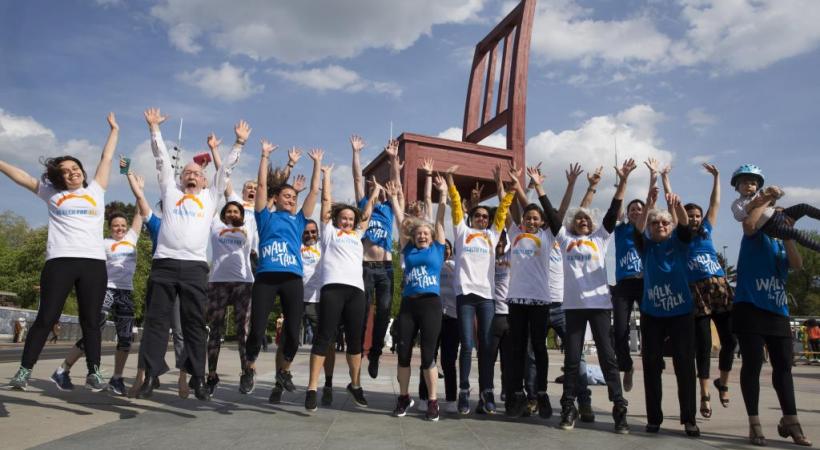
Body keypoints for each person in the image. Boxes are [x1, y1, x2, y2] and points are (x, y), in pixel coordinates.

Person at [135, 108, 244, 401]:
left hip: (195, 267)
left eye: (197, 173)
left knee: (195, 322)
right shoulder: (171, 192)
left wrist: (238, 144)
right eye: (187, 173)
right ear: (181, 179)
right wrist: (154, 129)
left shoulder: (210, 198)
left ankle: (198, 376)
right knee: (156, 321)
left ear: (205, 182)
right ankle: (151, 375)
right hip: (165, 264)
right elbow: (161, 160)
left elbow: (226, 171)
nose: (191, 176)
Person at [4, 113, 118, 391]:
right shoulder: (50, 192)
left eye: (75, 167)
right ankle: (24, 371)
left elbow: (106, 158)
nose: (71, 172)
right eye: (65, 170)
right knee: (47, 317)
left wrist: (114, 130)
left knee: (91, 320)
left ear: (81, 170)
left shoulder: (96, 190)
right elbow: (23, 178)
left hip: (92, 263)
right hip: (60, 261)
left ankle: (94, 371)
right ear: (59, 176)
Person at [551, 159, 635, 434]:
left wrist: (622, 181)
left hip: (599, 306)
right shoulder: (564, 239)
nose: (583, 221)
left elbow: (613, 210)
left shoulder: (601, 238)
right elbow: (552, 215)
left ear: (593, 223)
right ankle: (568, 407)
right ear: (573, 224)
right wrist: (541, 188)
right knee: (572, 361)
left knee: (608, 359)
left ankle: (619, 409)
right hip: (574, 308)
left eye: (587, 218)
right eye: (579, 218)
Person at [51, 168, 144, 395]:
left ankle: (117, 378)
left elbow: (140, 214)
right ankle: (63, 370)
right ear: (109, 228)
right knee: (93, 332)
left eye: (122, 225)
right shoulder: (101, 244)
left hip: (125, 293)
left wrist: (138, 190)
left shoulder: (132, 238)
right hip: (106, 290)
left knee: (125, 338)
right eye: (115, 226)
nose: (120, 228)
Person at [241, 140, 322, 400]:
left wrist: (317, 165)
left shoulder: (299, 220)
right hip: (266, 276)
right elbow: (262, 185)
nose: (291, 199)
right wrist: (264, 156)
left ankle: (283, 371)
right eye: (287, 196)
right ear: (275, 199)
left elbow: (313, 194)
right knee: (256, 328)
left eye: (294, 197)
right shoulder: (265, 216)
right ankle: (249, 368)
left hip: (292, 279)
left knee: (292, 332)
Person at [502, 163, 581, 420]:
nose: (531, 221)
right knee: (517, 349)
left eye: (536, 218)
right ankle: (516, 394)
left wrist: (538, 185)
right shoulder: (514, 232)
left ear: (542, 222)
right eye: (528, 218)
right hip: (516, 301)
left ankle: (542, 392)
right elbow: (506, 210)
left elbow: (558, 212)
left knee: (538, 347)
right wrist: (512, 186)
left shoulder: (549, 236)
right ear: (523, 220)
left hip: (540, 301)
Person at [734, 190, 812, 446]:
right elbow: (748, 225)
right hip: (750, 308)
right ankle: (754, 423)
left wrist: (788, 235)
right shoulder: (754, 234)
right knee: (753, 364)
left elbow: (797, 264)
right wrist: (765, 203)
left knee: (784, 367)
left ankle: (791, 420)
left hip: (778, 311)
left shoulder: (780, 243)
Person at [662, 162, 736, 417]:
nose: (693, 219)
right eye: (690, 215)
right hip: (696, 293)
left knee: (730, 339)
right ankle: (704, 394)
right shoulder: (680, 238)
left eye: (696, 215)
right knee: (703, 346)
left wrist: (717, 177)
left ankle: (723, 382)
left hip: (719, 288)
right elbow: (672, 206)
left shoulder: (706, 231)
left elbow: (714, 204)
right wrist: (665, 179)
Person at [304, 164, 377, 412]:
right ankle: (312, 387)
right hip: (332, 289)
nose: (347, 221)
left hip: (356, 292)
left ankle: (355, 384)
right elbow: (326, 201)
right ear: (336, 220)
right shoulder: (329, 232)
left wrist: (375, 192)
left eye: (350, 218)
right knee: (325, 337)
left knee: (355, 340)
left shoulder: (357, 234)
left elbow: (367, 212)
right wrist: (325, 175)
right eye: (343, 217)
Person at [634, 160, 699, 437]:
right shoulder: (646, 246)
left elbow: (684, 224)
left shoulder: (680, 243)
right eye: (655, 223)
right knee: (651, 366)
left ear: (670, 227)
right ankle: (654, 418)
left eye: (664, 222)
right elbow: (637, 227)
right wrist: (650, 200)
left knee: (685, 365)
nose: (660, 225)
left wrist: (673, 198)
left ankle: (689, 419)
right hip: (652, 314)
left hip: (682, 313)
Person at [446, 165, 515, 415]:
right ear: (471, 218)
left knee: (486, 346)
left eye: (486, 217)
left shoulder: (492, 235)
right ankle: (465, 391)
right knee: (467, 345)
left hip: (486, 298)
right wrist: (450, 179)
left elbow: (503, 210)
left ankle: (487, 391)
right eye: (478, 216)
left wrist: (511, 189)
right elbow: (455, 204)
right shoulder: (462, 232)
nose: (483, 219)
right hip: (466, 296)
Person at [389, 173, 448, 420]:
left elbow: (440, 217)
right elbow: (402, 222)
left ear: (432, 235)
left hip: (431, 305)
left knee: (427, 356)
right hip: (409, 305)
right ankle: (404, 397)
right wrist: (394, 200)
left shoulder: (438, 247)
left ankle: (433, 401)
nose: (422, 236)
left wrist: (442, 194)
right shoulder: (408, 248)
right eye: (419, 234)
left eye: (426, 233)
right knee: (403, 354)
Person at [351, 136, 400, 378]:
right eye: (376, 187)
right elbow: (357, 179)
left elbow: (397, 187)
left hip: (386, 268)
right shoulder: (364, 204)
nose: (379, 190)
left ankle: (376, 354)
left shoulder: (389, 209)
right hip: (365, 266)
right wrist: (356, 153)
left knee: (384, 310)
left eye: (381, 189)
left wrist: (392, 160)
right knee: (362, 311)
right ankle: (359, 350)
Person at [204, 200, 254, 396]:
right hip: (218, 282)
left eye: (236, 211)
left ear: (242, 215)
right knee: (214, 330)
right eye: (229, 211)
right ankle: (212, 375)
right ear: (223, 215)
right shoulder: (216, 226)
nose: (232, 214)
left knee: (243, 329)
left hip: (243, 282)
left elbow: (257, 202)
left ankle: (246, 371)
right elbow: (213, 199)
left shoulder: (248, 226)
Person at [730, 164, 820, 252]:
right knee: (795, 233)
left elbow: (778, 194)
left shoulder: (761, 193)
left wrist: (776, 191)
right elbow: (738, 216)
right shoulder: (737, 203)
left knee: (803, 207)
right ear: (737, 187)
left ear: (757, 187)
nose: (749, 185)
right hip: (771, 226)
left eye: (753, 184)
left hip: (781, 214)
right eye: (745, 183)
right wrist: (751, 205)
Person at [298, 220, 335, 405]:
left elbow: (326, 217)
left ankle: (327, 384)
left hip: (320, 300)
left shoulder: (324, 244)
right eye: (306, 232)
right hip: (298, 298)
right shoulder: (296, 245)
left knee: (327, 344)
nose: (310, 235)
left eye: (313, 232)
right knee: (287, 341)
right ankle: (279, 383)